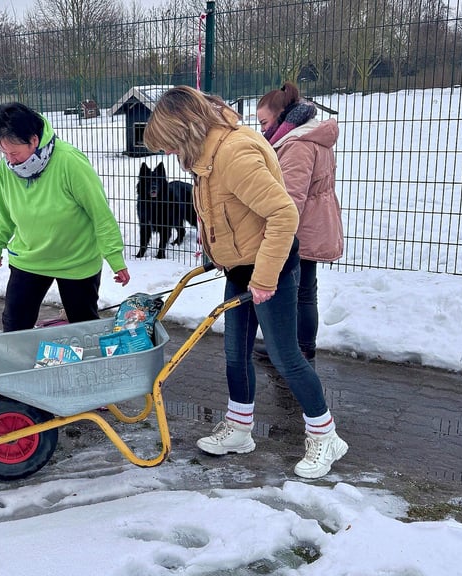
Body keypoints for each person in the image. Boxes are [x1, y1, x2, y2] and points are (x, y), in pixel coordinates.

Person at [142, 86, 347, 479]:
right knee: (235, 354)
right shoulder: (205, 155)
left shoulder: (234, 153)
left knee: (286, 357)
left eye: (169, 143)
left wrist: (266, 278)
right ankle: (239, 428)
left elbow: (284, 215)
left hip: (270, 266)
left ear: (185, 129)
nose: (168, 153)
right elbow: (223, 210)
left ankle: (325, 434)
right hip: (240, 267)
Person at [0, 101, 131, 333]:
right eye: (3, 152)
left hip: (76, 260)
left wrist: (114, 257)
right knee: (14, 325)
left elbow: (100, 213)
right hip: (29, 258)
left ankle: (86, 367)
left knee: (83, 326)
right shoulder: (8, 168)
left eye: (14, 152)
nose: (10, 160)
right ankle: (19, 367)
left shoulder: (69, 162)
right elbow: (6, 213)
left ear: (34, 140)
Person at [253, 83, 344, 368]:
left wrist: (277, 236)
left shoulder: (297, 145)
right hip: (314, 222)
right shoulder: (308, 137)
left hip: (304, 227)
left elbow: (291, 197)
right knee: (302, 289)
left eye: (264, 123)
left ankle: (298, 351)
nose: (262, 131)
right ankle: (295, 348)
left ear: (282, 117)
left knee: (300, 291)